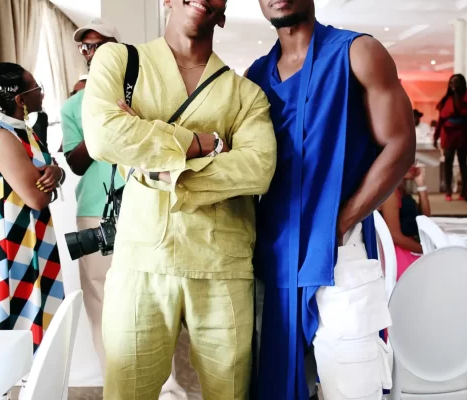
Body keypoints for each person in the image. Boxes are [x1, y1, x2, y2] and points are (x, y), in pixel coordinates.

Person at [82, 0, 277, 398]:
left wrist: (162, 170)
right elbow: (104, 136)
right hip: (141, 262)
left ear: (223, 14)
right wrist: (207, 143)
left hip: (222, 266)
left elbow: (258, 168)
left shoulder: (246, 94)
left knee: (230, 393)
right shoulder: (120, 62)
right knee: (126, 392)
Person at [247, 1, 416, 398]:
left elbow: (400, 145)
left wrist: (341, 223)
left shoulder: (359, 53)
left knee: (352, 388)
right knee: (277, 389)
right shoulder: (255, 77)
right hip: (275, 261)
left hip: (341, 254)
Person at [0, 63, 65, 352]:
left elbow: (47, 171)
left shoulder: (22, 130)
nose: (41, 92)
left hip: (30, 240)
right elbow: (37, 198)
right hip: (2, 247)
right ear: (20, 99)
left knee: (37, 328)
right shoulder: (0, 136)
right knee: (4, 340)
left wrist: (56, 173)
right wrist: (50, 179)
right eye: (36, 87)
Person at [61, 19, 124, 377]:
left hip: (146, 208)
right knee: (100, 301)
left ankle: (169, 393)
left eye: (99, 44)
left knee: (155, 299)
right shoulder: (73, 107)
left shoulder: (141, 92)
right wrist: (100, 122)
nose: (91, 52)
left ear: (117, 48)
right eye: (86, 46)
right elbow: (75, 163)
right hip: (95, 211)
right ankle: (115, 385)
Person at [379, 165, 430, 280]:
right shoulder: (390, 192)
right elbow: (395, 236)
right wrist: (426, 250)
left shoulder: (401, 188)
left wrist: (421, 185)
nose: (414, 166)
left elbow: (424, 220)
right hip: (399, 253)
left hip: (410, 246)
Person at [434, 74, 467, 201]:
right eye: (451, 82)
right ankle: (448, 191)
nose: (453, 85)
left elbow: (465, 111)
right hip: (448, 132)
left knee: (463, 162)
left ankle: (463, 191)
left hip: (462, 131)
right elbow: (440, 119)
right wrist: (435, 136)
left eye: (456, 82)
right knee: (448, 162)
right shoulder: (446, 99)